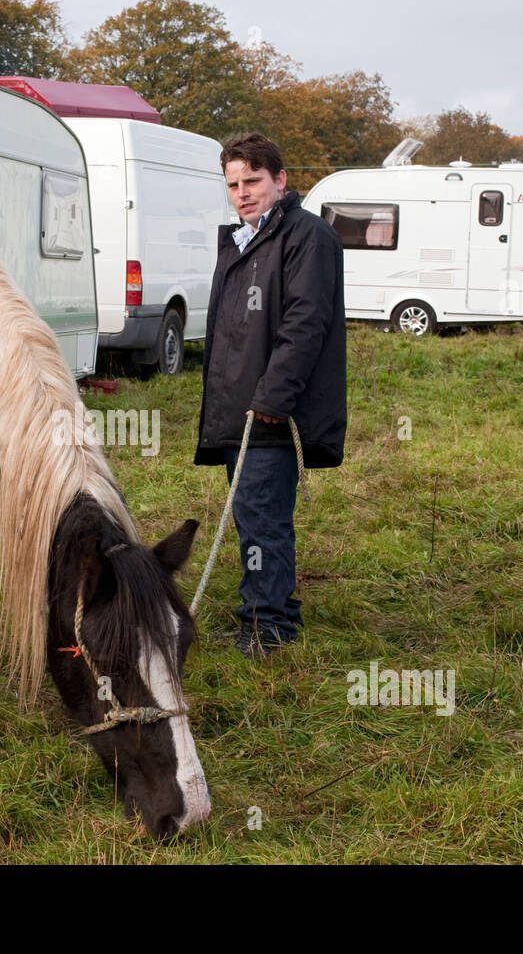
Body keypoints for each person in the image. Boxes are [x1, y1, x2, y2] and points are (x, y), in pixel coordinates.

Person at [193, 132, 347, 660]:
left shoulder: (307, 237)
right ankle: (267, 613)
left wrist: (273, 399)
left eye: (253, 181)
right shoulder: (243, 240)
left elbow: (306, 323)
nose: (242, 192)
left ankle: (268, 629)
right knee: (251, 517)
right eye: (233, 184)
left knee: (262, 518)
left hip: (274, 415)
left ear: (279, 181)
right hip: (240, 411)